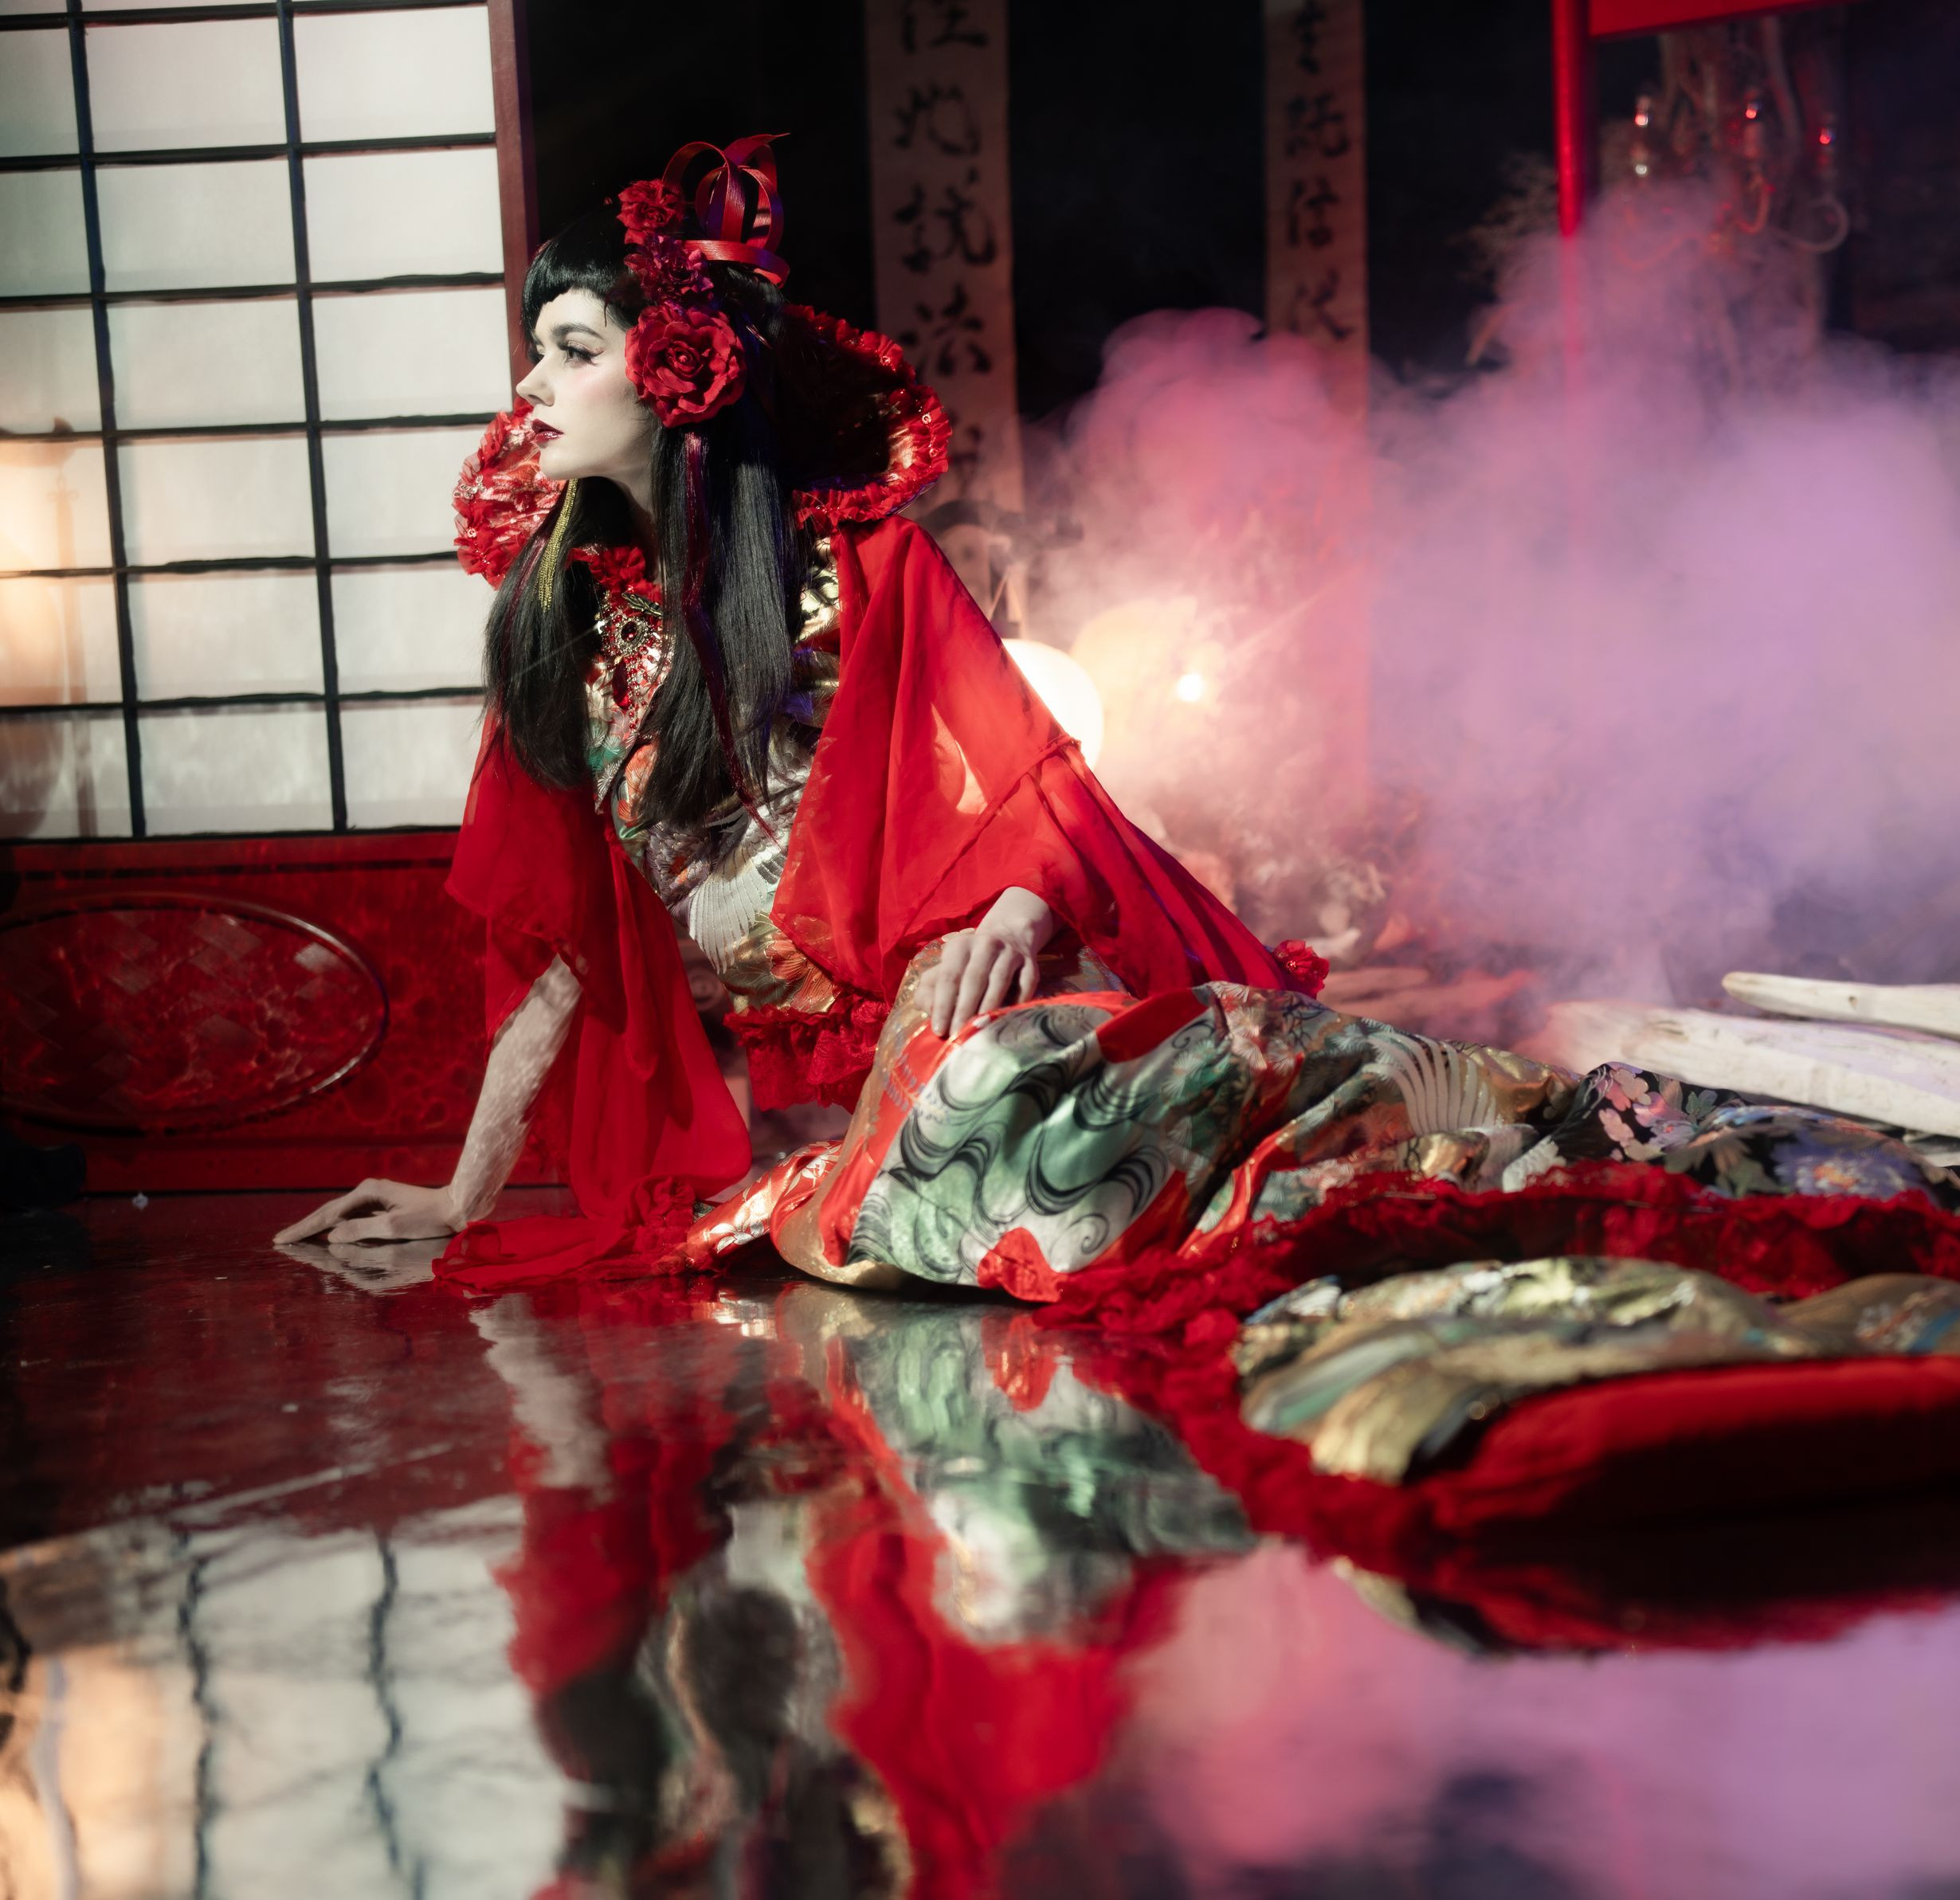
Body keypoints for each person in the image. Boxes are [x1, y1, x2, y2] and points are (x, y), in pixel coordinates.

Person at [278, 139, 1311, 1277]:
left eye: (572, 351)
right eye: (538, 352)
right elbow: (567, 948)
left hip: (978, 1004)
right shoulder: (563, 626)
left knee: (1055, 1146)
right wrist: (463, 1192)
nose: (531, 386)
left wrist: (1019, 917)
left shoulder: (862, 569)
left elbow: (1036, 790)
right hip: (888, 1098)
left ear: (677, 375)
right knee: (914, 1210)